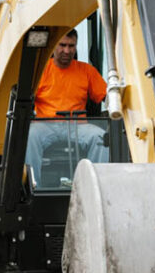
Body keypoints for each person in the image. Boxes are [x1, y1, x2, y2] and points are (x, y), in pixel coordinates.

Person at [26, 29, 108, 186]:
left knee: (101, 137)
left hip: (77, 125)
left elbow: (107, 97)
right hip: (45, 125)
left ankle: (95, 188)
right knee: (29, 137)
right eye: (62, 45)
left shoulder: (87, 71)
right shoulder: (41, 70)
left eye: (72, 46)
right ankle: (33, 187)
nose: (67, 50)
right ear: (53, 46)